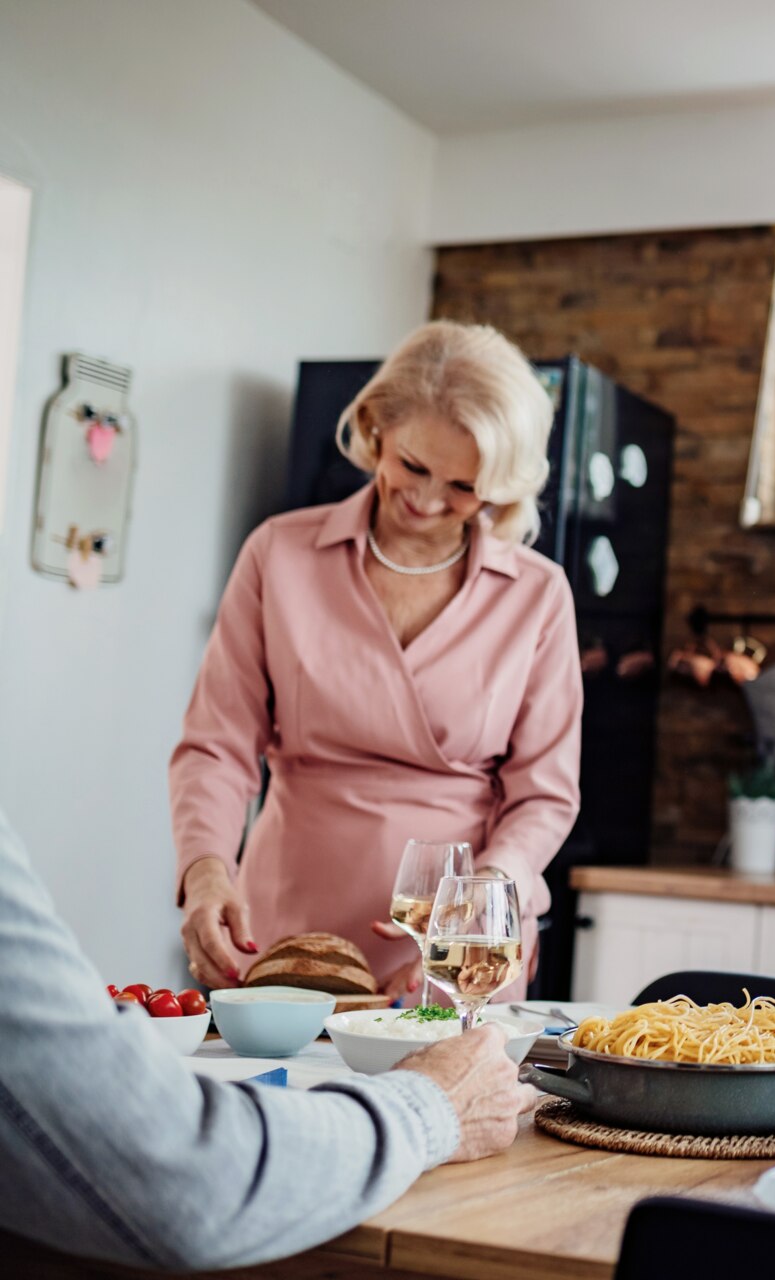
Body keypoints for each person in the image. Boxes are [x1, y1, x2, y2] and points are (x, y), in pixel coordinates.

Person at [170, 321, 583, 1003]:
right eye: (415, 466)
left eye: (464, 486)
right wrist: (207, 870)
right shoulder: (279, 555)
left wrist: (481, 902)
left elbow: (543, 794)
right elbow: (215, 746)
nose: (428, 501)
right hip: (287, 927)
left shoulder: (538, 595)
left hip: (461, 938)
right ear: (375, 428)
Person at [0, 807, 539, 1270]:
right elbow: (178, 1174)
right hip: (287, 904)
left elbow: (547, 795)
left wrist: (475, 895)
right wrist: (435, 1106)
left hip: (464, 913)